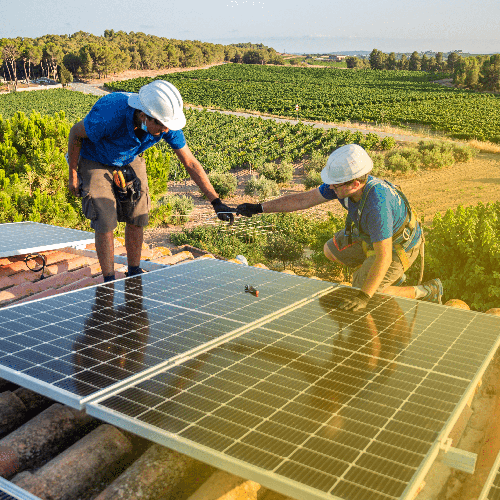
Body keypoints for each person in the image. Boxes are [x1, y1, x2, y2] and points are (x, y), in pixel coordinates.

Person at [237, 143, 442, 311]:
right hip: (371, 237)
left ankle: (425, 291)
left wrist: (363, 296)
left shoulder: (377, 204)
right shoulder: (343, 186)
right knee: (329, 250)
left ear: (354, 184)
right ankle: (377, 276)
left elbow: (384, 256)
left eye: (336, 185)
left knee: (369, 292)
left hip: (399, 246)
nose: (331, 188)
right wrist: (258, 208)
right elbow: (303, 200)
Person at [67, 80, 234, 282]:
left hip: (128, 157)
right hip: (95, 158)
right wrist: (74, 175)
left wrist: (216, 202)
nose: (165, 131)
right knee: (104, 218)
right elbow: (75, 134)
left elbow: (190, 162)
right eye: (161, 126)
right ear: (145, 116)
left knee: (138, 214)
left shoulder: (166, 123)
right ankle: (109, 280)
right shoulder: (110, 113)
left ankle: (134, 271)